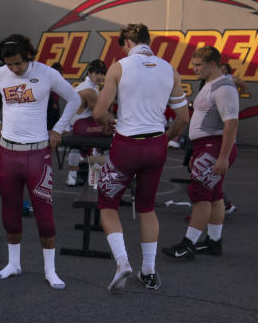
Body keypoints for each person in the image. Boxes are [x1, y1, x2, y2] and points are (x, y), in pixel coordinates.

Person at [92, 23, 190, 292]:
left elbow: (99, 113)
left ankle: (123, 262)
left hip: (126, 145)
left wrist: (110, 120)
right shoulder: (169, 69)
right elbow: (183, 118)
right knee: (146, 207)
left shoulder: (119, 67)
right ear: (149, 42)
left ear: (126, 44)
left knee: (107, 203)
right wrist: (167, 137)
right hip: (155, 144)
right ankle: (148, 271)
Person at [0, 34, 80, 289]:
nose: (14, 69)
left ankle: (50, 270)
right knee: (10, 211)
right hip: (8, 152)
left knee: (44, 213)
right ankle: (13, 264)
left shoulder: (47, 73)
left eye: (18, 63)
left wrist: (58, 129)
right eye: (9, 64)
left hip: (38, 154)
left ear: (28, 55)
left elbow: (74, 99)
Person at [164, 46, 238, 259]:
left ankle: (188, 244)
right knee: (214, 196)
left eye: (198, 65)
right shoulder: (210, 85)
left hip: (213, 146)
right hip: (205, 148)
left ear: (212, 64)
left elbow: (231, 124)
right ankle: (214, 242)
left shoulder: (224, 87)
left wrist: (222, 156)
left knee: (200, 194)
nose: (194, 69)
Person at [59, 59, 108, 186]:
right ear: (89, 73)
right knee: (112, 133)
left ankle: (73, 175)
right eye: (97, 73)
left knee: (78, 146)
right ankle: (99, 174)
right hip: (80, 125)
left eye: (102, 74)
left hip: (76, 125)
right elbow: (99, 113)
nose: (100, 76)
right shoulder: (89, 90)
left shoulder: (85, 86)